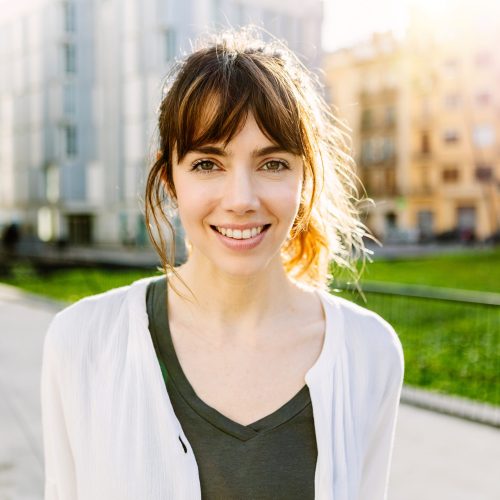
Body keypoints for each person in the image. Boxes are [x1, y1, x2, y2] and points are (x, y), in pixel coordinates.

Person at [41, 27, 404, 500]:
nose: (241, 199)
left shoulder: (369, 353)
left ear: (304, 176)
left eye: (272, 163)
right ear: (169, 178)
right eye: (207, 164)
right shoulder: (81, 343)